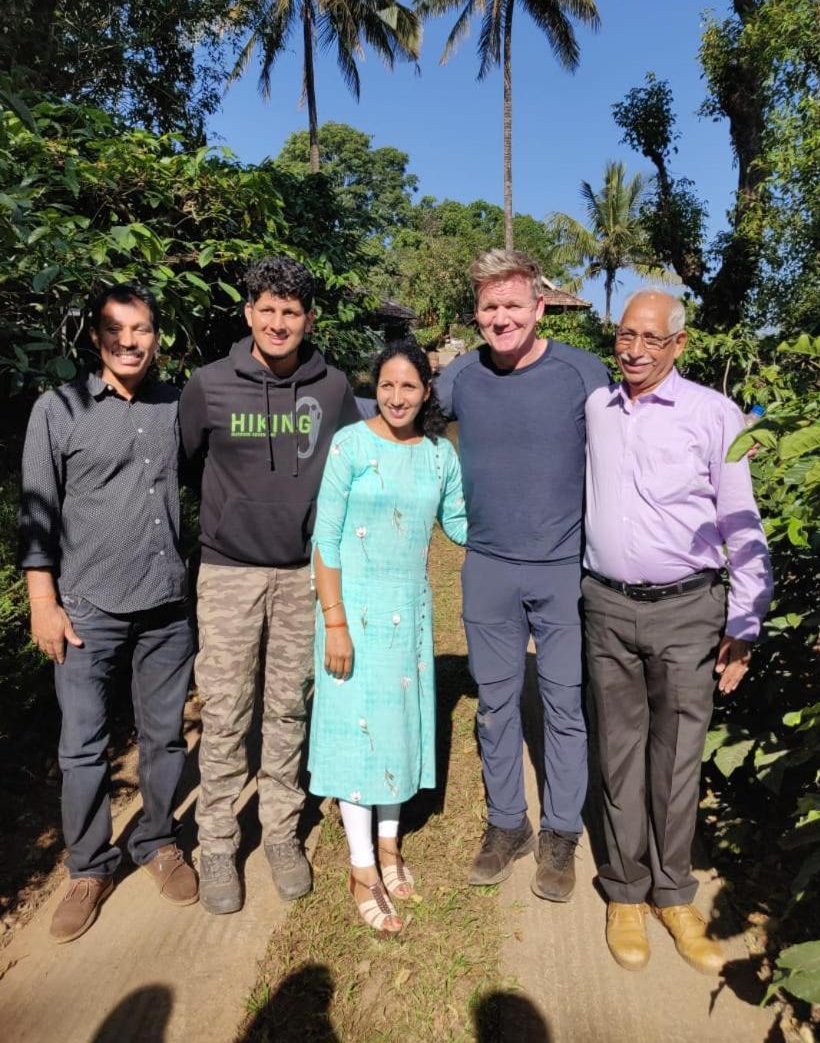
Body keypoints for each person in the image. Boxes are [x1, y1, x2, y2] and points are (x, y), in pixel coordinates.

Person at [583, 289, 773, 974]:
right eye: (625, 336)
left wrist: (744, 623)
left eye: (650, 339)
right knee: (619, 753)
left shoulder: (714, 416)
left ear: (679, 344)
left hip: (688, 609)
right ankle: (626, 893)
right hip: (605, 604)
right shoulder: (597, 409)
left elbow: (741, 521)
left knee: (676, 760)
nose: (634, 350)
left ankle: (673, 893)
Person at [19, 283, 198, 944]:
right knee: (84, 750)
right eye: (117, 330)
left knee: (165, 739)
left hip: (166, 607)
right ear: (96, 337)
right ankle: (89, 868)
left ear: (156, 336)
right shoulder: (59, 410)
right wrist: (44, 602)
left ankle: (158, 842)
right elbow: (36, 512)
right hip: (86, 610)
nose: (131, 341)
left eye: (143, 329)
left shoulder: (176, 406)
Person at [180, 256, 358, 915]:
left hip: (300, 574)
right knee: (225, 713)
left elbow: (347, 473)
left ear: (307, 319)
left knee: (288, 709)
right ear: (249, 312)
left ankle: (281, 832)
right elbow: (182, 463)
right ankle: (219, 842)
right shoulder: (209, 385)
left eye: (292, 311)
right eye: (268, 309)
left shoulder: (333, 388)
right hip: (227, 572)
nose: (279, 322)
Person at [436, 249, 610, 902]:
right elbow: (400, 419)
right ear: (476, 314)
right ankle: (508, 824)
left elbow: (631, 444)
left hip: (564, 568)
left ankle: (562, 833)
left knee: (564, 705)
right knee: (496, 704)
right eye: (489, 308)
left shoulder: (581, 374)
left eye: (513, 305)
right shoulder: (460, 377)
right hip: (489, 568)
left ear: (539, 307)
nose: (501, 318)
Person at [308, 338, 467, 934]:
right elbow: (325, 538)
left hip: (410, 608)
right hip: (352, 608)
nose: (397, 396)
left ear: (427, 391)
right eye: (388, 384)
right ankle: (360, 866)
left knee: (397, 726)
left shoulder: (437, 456)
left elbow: (457, 522)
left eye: (410, 385)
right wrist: (335, 622)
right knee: (357, 734)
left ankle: (391, 845)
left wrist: (516, 535)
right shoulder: (349, 446)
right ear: (376, 387)